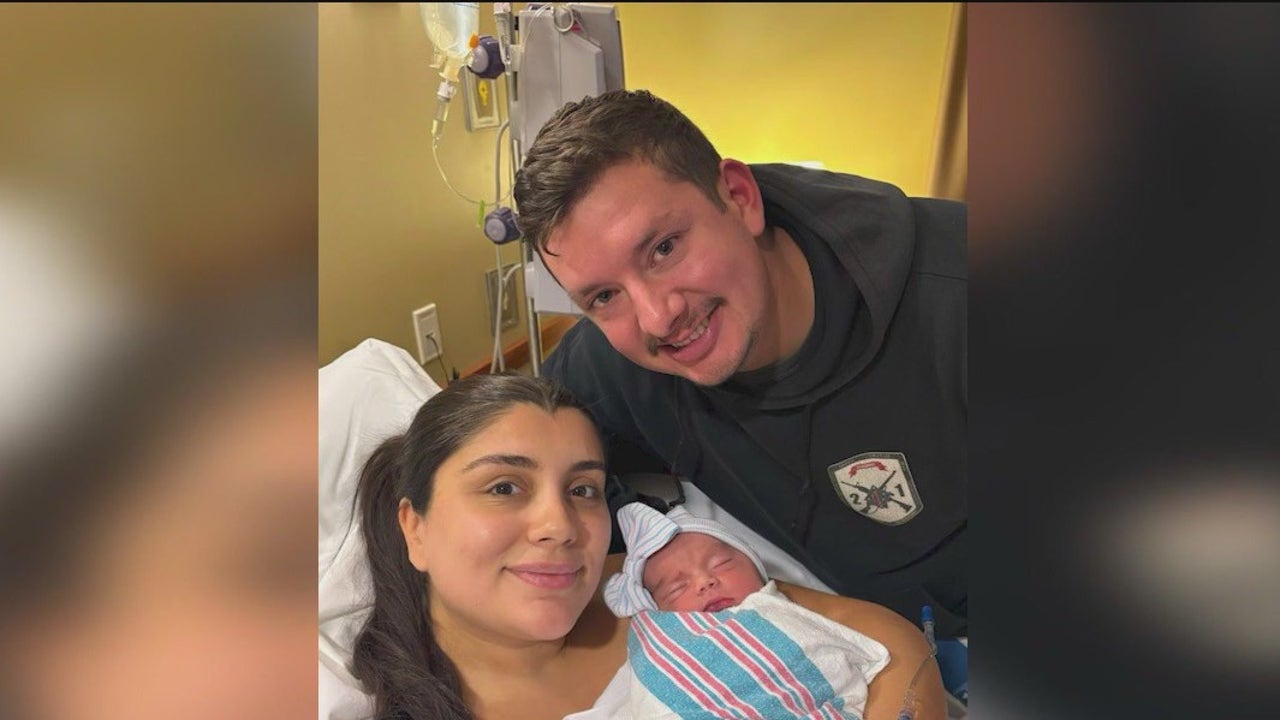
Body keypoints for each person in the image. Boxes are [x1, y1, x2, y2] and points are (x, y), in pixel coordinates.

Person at [513, 89, 967, 638]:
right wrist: (650, 537)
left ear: (739, 196)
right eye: (604, 296)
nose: (658, 318)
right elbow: (517, 459)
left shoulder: (958, 305)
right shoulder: (612, 367)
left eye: (664, 249)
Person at [347, 373, 947, 720]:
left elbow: (880, 638)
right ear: (414, 527)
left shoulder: (649, 581)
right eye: (505, 487)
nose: (560, 525)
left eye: (582, 489)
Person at [603, 502, 946, 720]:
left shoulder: (778, 612)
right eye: (677, 588)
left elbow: (850, 655)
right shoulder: (661, 645)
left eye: (721, 564)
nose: (705, 582)